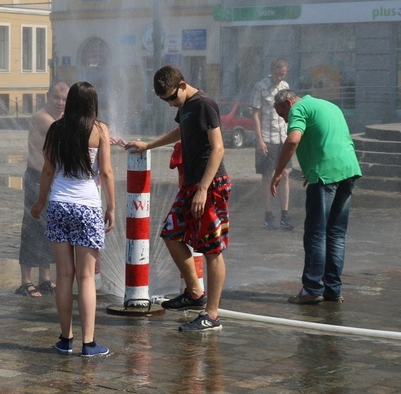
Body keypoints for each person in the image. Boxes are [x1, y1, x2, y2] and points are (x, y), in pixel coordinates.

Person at [125, 66, 230, 332]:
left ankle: (212, 315)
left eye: (172, 98)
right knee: (171, 234)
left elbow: (218, 148)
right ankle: (195, 293)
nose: (171, 104)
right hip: (192, 185)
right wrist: (148, 145)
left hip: (211, 184)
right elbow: (181, 133)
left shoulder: (204, 104)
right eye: (165, 101)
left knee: (211, 250)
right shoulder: (185, 107)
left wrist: (204, 188)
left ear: (182, 85)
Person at [31, 81, 115, 357]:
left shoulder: (56, 129)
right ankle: (89, 343)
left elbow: (47, 171)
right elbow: (106, 173)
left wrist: (40, 203)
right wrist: (111, 207)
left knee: (64, 276)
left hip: (58, 206)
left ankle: (65, 339)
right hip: (87, 208)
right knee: (87, 277)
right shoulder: (100, 130)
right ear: (93, 104)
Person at [270, 90, 361, 305]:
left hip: (327, 175)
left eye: (283, 115)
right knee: (336, 234)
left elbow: (293, 141)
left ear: (288, 102)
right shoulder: (328, 105)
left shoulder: (298, 108)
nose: (285, 120)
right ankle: (333, 290)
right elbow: (328, 139)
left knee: (316, 233)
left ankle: (311, 289)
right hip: (349, 170)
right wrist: (312, 169)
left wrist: (277, 172)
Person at [16, 81, 69, 298]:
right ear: (47, 96)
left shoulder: (63, 119)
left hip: (53, 179)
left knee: (50, 227)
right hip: (36, 178)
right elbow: (64, 135)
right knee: (32, 226)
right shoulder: (41, 118)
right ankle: (25, 281)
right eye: (56, 97)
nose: (60, 102)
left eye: (65, 99)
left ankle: (45, 277)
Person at [251, 58, 294, 230]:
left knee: (285, 175)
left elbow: (290, 111)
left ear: (286, 72)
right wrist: (259, 139)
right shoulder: (260, 87)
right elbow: (255, 114)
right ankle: (268, 215)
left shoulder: (286, 87)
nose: (279, 77)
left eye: (282, 74)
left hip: (283, 137)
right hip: (267, 138)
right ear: (271, 70)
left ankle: (285, 214)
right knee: (268, 176)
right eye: (277, 73)